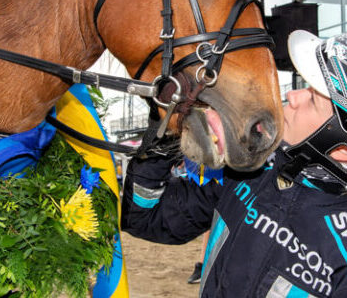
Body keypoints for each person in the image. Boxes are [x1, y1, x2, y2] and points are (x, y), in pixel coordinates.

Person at [121, 30, 347, 297]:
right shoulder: (251, 170)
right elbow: (146, 217)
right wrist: (165, 123)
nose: (294, 95)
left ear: (341, 147)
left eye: (312, 97)